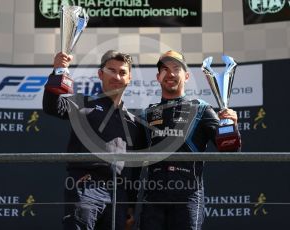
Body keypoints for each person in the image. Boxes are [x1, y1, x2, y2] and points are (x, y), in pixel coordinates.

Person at [42, 50, 146, 230]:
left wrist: (130, 205)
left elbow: (134, 170)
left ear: (129, 79)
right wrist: (58, 71)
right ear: (100, 74)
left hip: (118, 195)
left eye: (122, 72)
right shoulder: (83, 103)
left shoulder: (134, 123)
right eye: (111, 70)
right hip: (86, 186)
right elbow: (53, 106)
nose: (117, 76)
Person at [139, 50, 241, 230]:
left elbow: (229, 149)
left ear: (186, 76)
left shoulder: (200, 109)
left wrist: (230, 126)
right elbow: (133, 161)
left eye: (176, 69)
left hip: (188, 197)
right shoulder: (147, 114)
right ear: (158, 76)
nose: (170, 74)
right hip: (153, 198)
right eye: (164, 69)